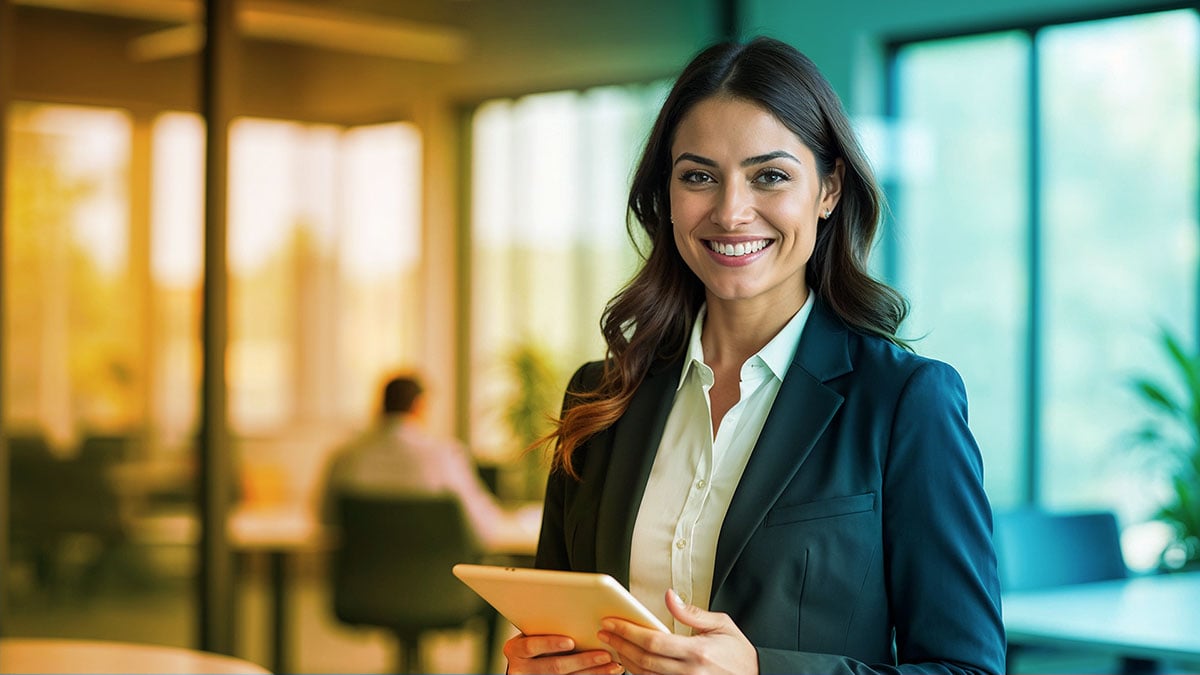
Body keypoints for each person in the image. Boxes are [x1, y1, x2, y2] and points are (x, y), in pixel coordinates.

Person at [504, 36, 1006, 675]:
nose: (731, 211)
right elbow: (556, 634)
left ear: (828, 191)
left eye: (769, 176)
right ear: (667, 196)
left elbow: (969, 670)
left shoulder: (906, 402)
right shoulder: (603, 396)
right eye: (698, 177)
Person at [319, 374, 508, 548]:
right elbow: (482, 529)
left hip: (362, 581)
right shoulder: (444, 457)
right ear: (419, 406)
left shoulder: (345, 457)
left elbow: (326, 519)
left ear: (381, 406)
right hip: (435, 581)